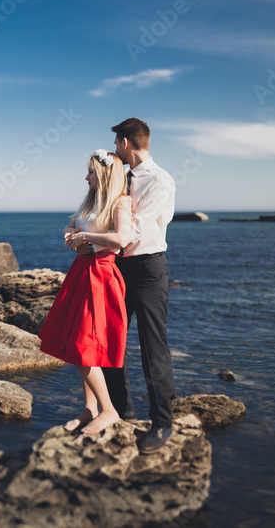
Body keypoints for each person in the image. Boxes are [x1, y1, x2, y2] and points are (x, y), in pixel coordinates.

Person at [38, 149, 132, 435]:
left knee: (83, 348)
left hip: (101, 277)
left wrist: (86, 236)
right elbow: (72, 224)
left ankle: (109, 411)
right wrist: (70, 233)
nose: (86, 176)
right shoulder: (90, 203)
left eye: (91, 172)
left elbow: (122, 238)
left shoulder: (120, 202)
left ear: (103, 175)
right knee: (78, 346)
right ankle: (90, 409)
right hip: (81, 273)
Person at [97, 117, 177, 454]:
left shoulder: (159, 180)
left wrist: (94, 239)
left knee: (152, 347)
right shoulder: (120, 176)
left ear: (125, 142)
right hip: (119, 267)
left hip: (147, 268)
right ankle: (121, 411)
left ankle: (162, 423)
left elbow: (135, 228)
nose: (116, 149)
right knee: (109, 340)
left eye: (117, 143)